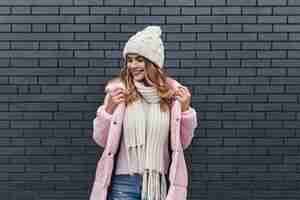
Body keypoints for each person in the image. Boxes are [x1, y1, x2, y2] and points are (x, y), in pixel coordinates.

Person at [89, 26, 198, 200]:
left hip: (157, 185)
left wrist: (185, 110)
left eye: (139, 59)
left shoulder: (169, 99)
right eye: (129, 60)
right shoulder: (120, 94)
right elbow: (100, 139)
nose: (133, 65)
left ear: (153, 63)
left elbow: (182, 144)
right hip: (123, 184)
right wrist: (108, 109)